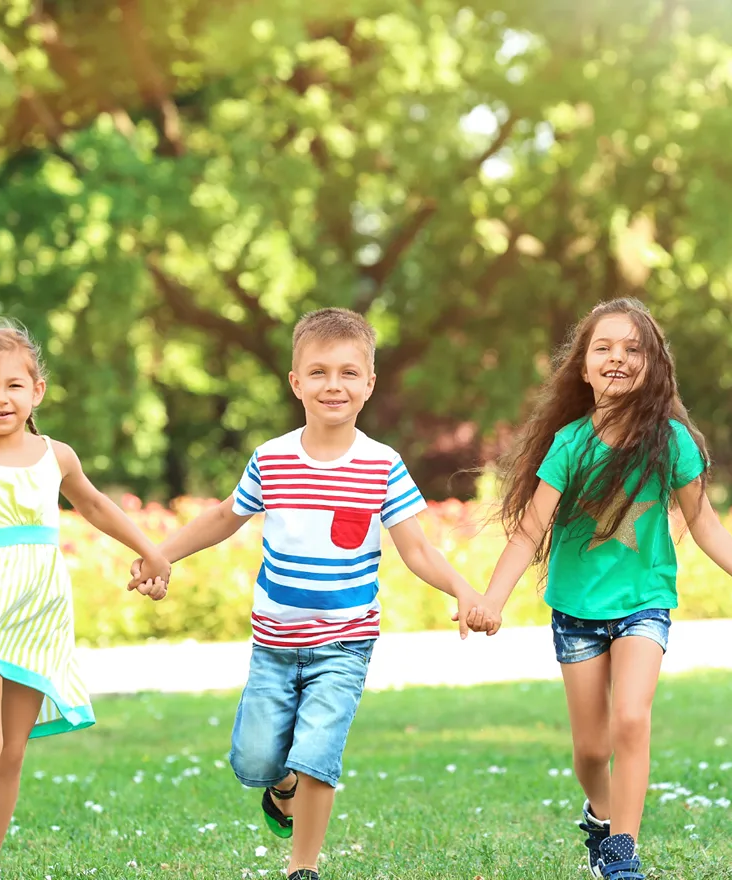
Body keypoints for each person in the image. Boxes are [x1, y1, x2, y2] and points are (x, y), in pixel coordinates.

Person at [130, 307, 498, 880]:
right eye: (319, 372)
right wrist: (162, 555)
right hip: (273, 641)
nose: (334, 385)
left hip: (345, 643)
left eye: (350, 373)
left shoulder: (382, 465)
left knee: (319, 755)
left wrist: (463, 588)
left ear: (369, 384)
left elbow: (418, 549)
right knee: (256, 759)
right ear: (296, 382)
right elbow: (226, 516)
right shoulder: (273, 458)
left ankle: (302, 868)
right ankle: (279, 788)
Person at [473, 298, 732, 879]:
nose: (618, 358)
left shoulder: (670, 443)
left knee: (631, 718)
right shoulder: (570, 444)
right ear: (583, 365)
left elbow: (705, 525)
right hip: (576, 611)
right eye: (604, 347)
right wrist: (492, 599)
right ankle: (600, 814)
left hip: (644, 603)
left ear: (653, 365)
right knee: (593, 750)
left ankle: (622, 851)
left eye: (633, 348)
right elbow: (528, 533)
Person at [0, 324, 171, 880]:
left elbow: (93, 505)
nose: (1, 397)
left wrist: (150, 550)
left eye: (14, 385)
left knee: (12, 749)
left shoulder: (55, 456)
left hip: (37, 620)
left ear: (37, 391)